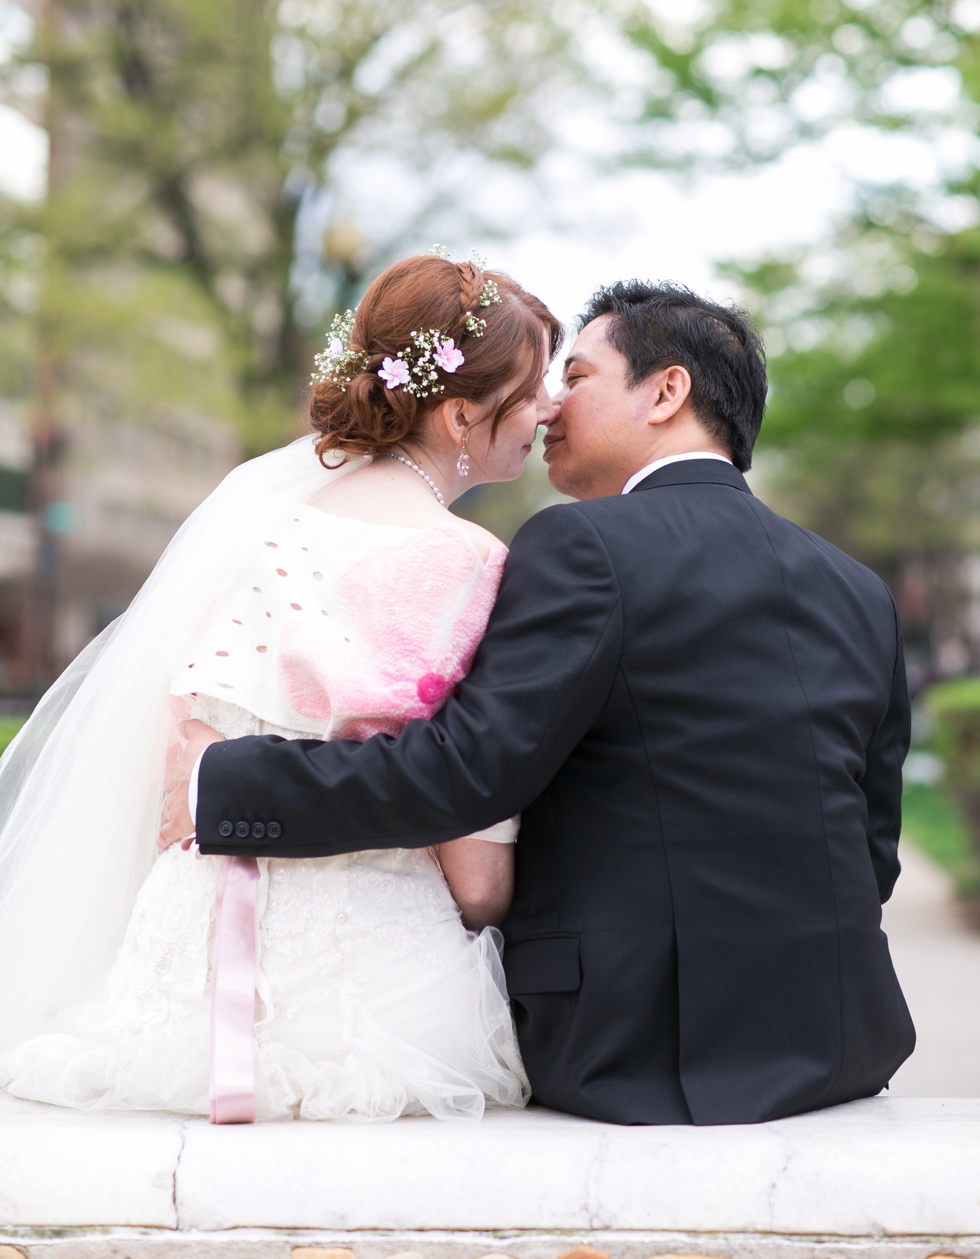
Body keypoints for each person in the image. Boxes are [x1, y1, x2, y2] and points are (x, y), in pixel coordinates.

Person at [163, 280, 916, 1127]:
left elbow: (466, 772)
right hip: (843, 1036)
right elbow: (871, 850)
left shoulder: (583, 544)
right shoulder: (858, 590)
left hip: (638, 1048)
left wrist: (224, 782)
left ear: (666, 392)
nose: (550, 408)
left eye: (579, 377)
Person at [0, 252, 562, 1123]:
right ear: (461, 414)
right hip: (375, 986)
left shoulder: (249, 528)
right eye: (529, 394)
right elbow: (473, 854)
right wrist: (487, 898)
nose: (546, 412)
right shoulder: (467, 562)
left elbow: (174, 753)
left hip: (176, 963)